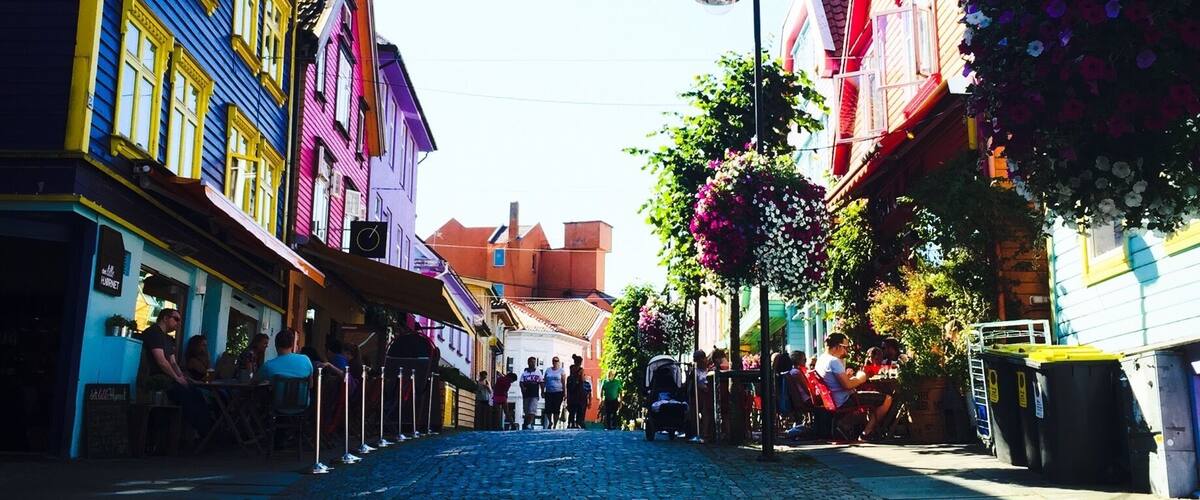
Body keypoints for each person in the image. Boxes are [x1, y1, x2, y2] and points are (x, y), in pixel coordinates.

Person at [138, 309, 212, 437]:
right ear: (165, 318)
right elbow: (161, 361)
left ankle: (207, 431)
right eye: (176, 319)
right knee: (188, 398)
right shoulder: (154, 332)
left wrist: (182, 377)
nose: (178, 323)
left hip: (169, 379)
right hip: (156, 380)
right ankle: (204, 433)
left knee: (196, 393)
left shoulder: (168, 338)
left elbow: (173, 363)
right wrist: (177, 379)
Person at [815, 333, 893, 441]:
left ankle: (848, 425)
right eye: (845, 347)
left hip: (834, 399)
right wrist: (861, 377)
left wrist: (847, 376)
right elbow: (847, 385)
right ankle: (866, 433)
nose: (846, 351)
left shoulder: (821, 359)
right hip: (845, 399)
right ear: (837, 346)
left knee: (872, 400)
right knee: (887, 399)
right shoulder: (834, 361)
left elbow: (834, 381)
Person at [519, 357, 543, 429]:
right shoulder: (524, 373)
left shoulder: (538, 372)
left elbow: (541, 382)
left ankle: (529, 423)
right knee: (526, 410)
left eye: (534, 362)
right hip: (526, 394)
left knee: (532, 409)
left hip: (534, 393)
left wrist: (542, 391)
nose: (533, 363)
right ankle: (526, 423)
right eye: (531, 362)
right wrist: (522, 388)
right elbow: (521, 382)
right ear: (528, 362)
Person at [543, 357, 566, 429]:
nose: (555, 362)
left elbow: (563, 382)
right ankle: (550, 422)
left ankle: (555, 424)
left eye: (556, 361)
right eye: (554, 361)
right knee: (548, 408)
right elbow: (544, 380)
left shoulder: (561, 371)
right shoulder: (548, 370)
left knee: (556, 408)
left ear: (559, 362)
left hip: (558, 392)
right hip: (549, 392)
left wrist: (565, 392)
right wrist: (543, 390)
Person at [566, 357, 586, 429]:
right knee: (579, 408)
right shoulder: (581, 370)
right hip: (579, 391)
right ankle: (578, 422)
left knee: (572, 408)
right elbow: (582, 380)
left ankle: (570, 423)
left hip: (571, 391)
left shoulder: (571, 368)